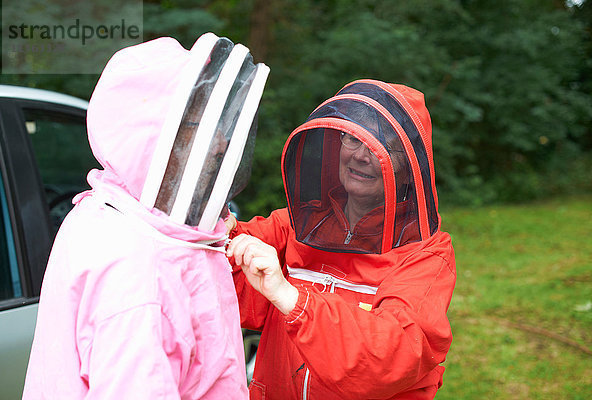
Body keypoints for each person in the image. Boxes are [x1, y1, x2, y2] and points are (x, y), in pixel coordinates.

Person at [23, 33, 269, 399]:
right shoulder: (143, 274)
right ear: (150, 139)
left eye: (219, 127)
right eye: (197, 127)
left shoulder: (105, 207)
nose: (219, 145)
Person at [226, 79, 456, 399]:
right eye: (352, 138)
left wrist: (291, 297)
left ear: (409, 166)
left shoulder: (426, 254)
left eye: (384, 145)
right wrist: (214, 225)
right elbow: (220, 281)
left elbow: (390, 355)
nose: (362, 155)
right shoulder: (295, 224)